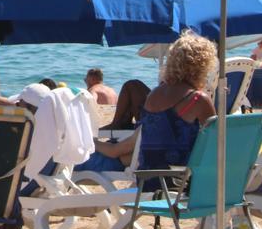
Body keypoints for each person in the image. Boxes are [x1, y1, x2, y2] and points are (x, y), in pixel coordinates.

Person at [88, 32, 217, 172]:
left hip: (148, 177)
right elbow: (215, 144)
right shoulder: (198, 99)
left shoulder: (154, 94)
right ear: (203, 65)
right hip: (179, 179)